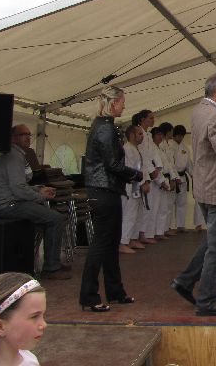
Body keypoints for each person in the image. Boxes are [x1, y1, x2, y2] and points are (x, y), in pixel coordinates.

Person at [171, 73, 216, 317]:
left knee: (214, 239)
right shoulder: (214, 116)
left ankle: (185, 280)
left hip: (206, 185)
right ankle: (208, 300)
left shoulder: (200, 111)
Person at [79, 86, 143, 312]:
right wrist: (135, 174)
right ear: (114, 103)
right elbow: (113, 164)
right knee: (101, 243)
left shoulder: (104, 125)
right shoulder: (105, 128)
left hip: (106, 189)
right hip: (103, 190)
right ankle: (89, 296)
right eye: (122, 102)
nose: (124, 106)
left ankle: (115, 291)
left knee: (110, 243)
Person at [0, 124, 70, 280]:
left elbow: (17, 185)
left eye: (29, 134)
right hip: (8, 205)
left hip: (7, 202)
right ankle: (51, 268)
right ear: (13, 138)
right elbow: (18, 189)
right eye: (23, 134)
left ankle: (38, 261)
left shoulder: (11, 154)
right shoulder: (14, 156)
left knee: (46, 219)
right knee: (56, 219)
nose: (27, 137)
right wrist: (40, 196)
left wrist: (38, 189)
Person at [133, 109, 164, 245]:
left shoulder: (148, 135)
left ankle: (143, 233)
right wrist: (152, 170)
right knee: (142, 207)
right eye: (150, 118)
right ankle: (139, 235)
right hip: (141, 172)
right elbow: (143, 156)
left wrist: (157, 168)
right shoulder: (139, 133)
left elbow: (152, 155)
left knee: (149, 207)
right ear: (142, 119)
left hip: (149, 172)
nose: (153, 120)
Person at [119, 125, 148, 254]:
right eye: (139, 134)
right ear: (132, 135)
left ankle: (131, 239)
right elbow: (131, 169)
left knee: (136, 214)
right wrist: (142, 183)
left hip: (136, 186)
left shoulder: (135, 149)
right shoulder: (127, 149)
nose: (142, 136)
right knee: (129, 214)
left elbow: (141, 169)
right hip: (129, 186)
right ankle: (122, 242)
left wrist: (145, 182)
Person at [171, 124, 199, 233]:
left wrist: (193, 175)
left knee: (182, 203)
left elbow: (188, 164)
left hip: (182, 178)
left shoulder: (184, 148)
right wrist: (174, 177)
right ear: (174, 135)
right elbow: (170, 164)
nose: (180, 138)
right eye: (179, 136)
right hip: (172, 178)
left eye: (182, 136)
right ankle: (168, 227)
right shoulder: (169, 146)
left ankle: (180, 225)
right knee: (170, 203)